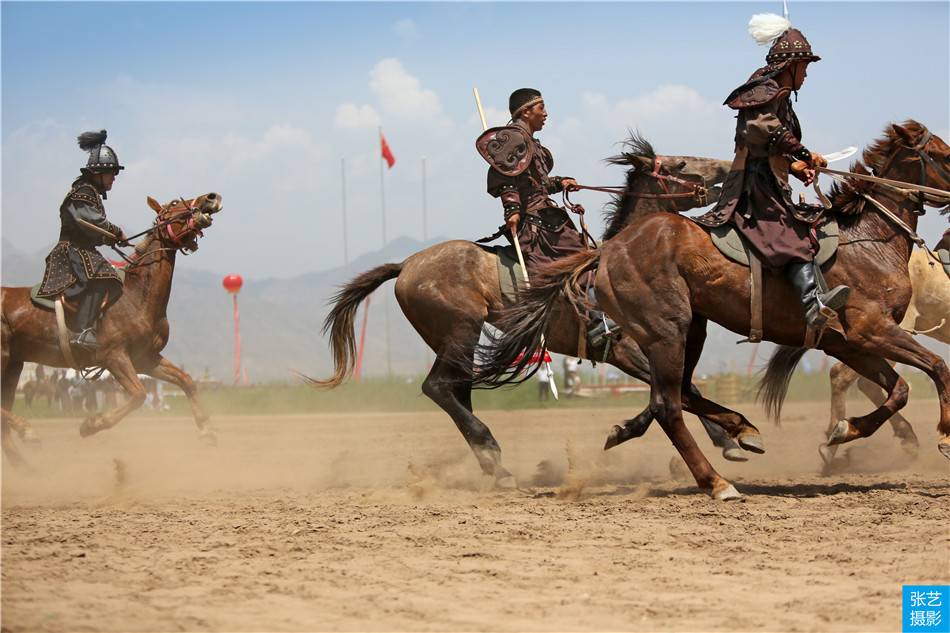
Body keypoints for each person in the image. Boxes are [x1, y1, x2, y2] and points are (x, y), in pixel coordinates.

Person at [696, 14, 850, 329]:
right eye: (804, 68)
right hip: (755, 187)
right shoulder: (762, 92)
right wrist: (804, 153)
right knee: (789, 237)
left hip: (770, 180)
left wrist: (795, 167)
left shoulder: (775, 95)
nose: (806, 75)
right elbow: (761, 131)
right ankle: (812, 306)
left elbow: (771, 148)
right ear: (789, 65)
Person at [477, 88, 618, 347]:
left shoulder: (530, 143)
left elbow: (534, 183)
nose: (546, 113)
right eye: (541, 107)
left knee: (585, 255)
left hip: (546, 213)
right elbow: (507, 180)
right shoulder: (514, 139)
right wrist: (512, 210)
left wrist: (559, 182)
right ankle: (596, 320)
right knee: (580, 260)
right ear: (526, 111)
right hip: (536, 222)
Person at [35, 130, 127, 351]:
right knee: (103, 276)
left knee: (108, 276)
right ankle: (83, 331)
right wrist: (115, 232)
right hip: (72, 250)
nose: (114, 177)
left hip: (82, 248)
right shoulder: (83, 192)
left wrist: (110, 239)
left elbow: (93, 230)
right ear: (98, 172)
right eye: (111, 172)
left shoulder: (89, 191)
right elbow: (91, 221)